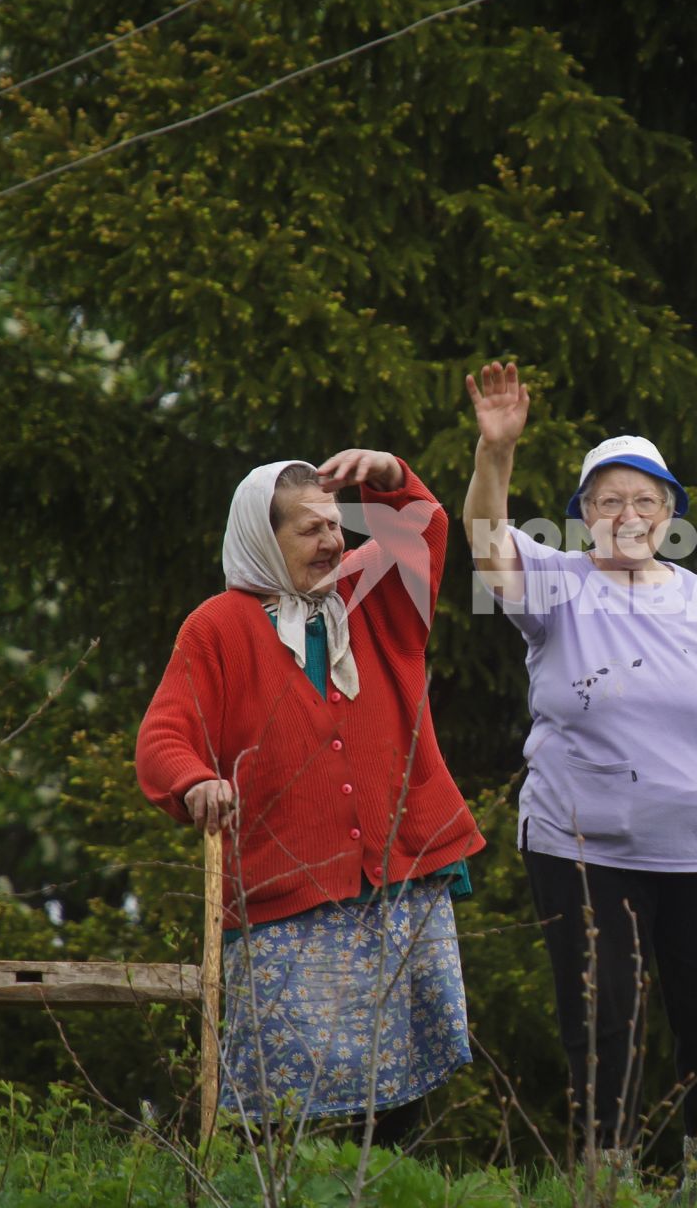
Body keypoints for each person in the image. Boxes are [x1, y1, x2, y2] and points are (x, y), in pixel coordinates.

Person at [462, 363, 697, 1206]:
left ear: (670, 516)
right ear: (583, 515)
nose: (627, 515)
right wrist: (494, 452)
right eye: (608, 500)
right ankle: (603, 1185)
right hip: (584, 846)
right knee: (603, 1018)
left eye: (645, 501)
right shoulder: (557, 586)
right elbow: (485, 535)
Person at [136, 447, 486, 1142]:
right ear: (264, 541)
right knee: (284, 1101)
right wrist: (195, 781)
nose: (332, 542)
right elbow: (162, 739)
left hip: (400, 872)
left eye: (335, 525)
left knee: (401, 1088)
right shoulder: (218, 627)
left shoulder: (371, 593)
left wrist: (391, 480)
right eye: (310, 530)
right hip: (286, 886)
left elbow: (422, 528)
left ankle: (387, 1192)